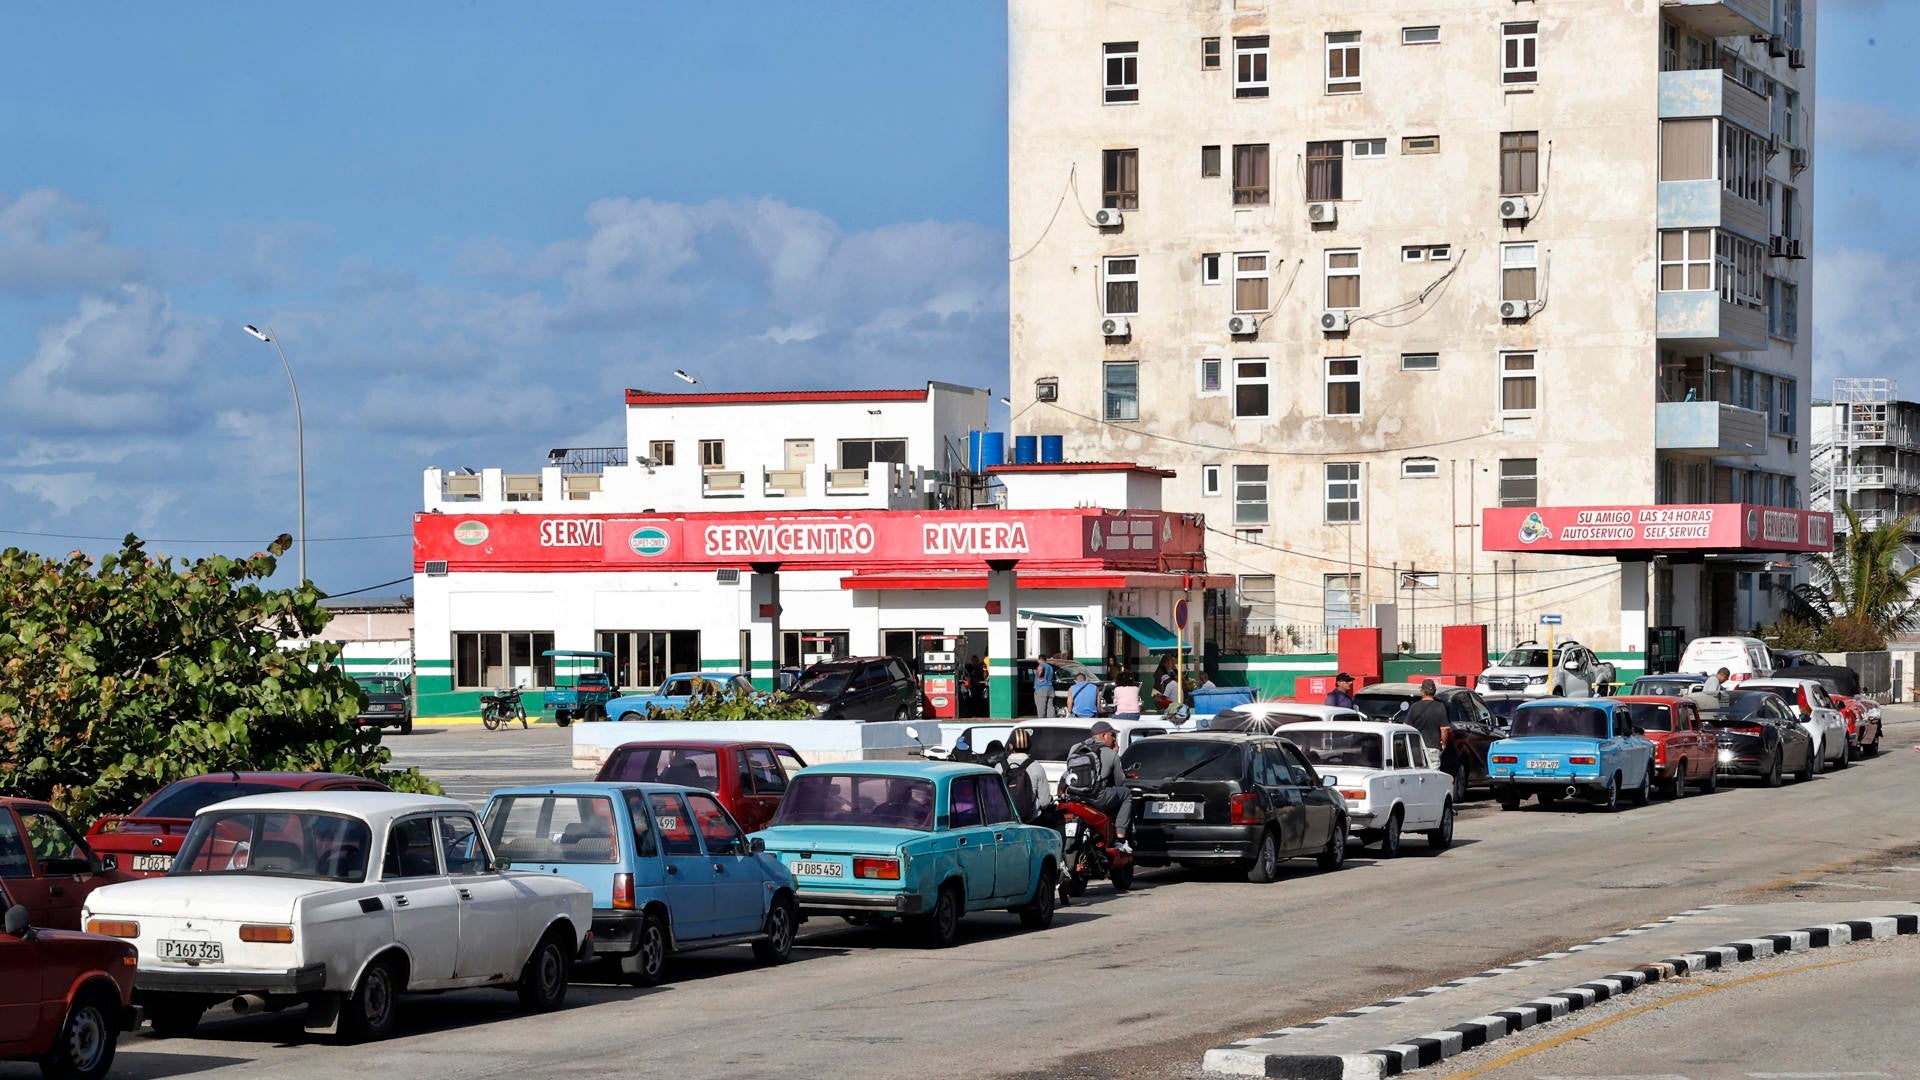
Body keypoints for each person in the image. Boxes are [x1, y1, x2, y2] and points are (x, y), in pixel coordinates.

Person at [1061, 721, 1131, 849]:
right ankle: (1121, 837)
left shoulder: (1075, 748)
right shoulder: (1110, 753)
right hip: (1096, 797)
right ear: (1104, 735)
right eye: (1112, 735)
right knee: (1126, 794)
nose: (1114, 739)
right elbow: (1120, 782)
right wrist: (1115, 754)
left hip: (1074, 795)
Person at [1001, 727, 1055, 824]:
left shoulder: (999, 767)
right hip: (1031, 822)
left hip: (1005, 821)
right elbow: (1045, 802)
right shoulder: (1036, 767)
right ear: (1029, 746)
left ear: (1010, 746)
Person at [1404, 679, 1453, 769]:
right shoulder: (1440, 707)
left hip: (1416, 747)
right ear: (1433, 692)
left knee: (1417, 773)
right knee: (1434, 775)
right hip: (1433, 747)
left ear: (1423, 692)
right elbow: (1444, 730)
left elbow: (1406, 727)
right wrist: (1443, 744)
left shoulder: (1415, 707)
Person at [1032, 653, 1057, 718]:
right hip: (1050, 688)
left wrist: (1039, 677)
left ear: (1039, 659)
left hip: (1041, 688)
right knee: (1050, 706)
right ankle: (1051, 721)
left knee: (1041, 707)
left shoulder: (1041, 665)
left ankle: (1041, 722)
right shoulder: (1050, 667)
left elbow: (1040, 669)